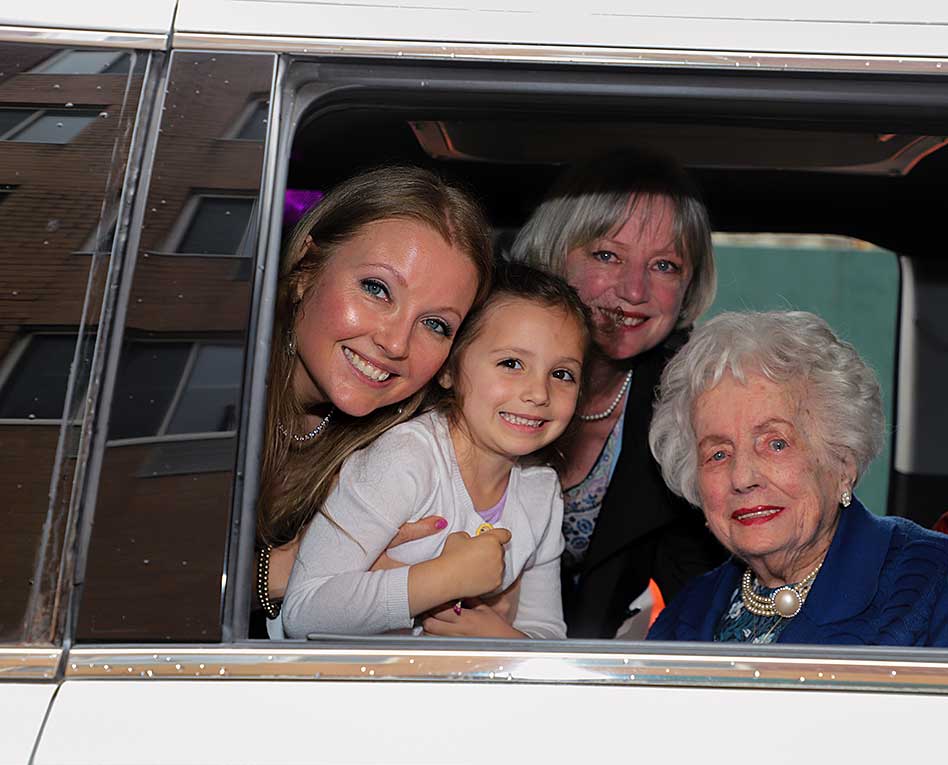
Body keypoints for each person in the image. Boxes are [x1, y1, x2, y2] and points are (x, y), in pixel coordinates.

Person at [646, 311, 948, 647]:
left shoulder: (945, 589)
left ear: (842, 461)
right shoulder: (684, 616)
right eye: (718, 454)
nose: (742, 477)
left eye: (776, 444)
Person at [281, 263, 591, 639]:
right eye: (511, 363)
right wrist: (443, 579)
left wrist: (502, 639)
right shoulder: (405, 459)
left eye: (562, 374)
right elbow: (303, 612)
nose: (539, 393)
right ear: (449, 370)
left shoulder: (541, 491)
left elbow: (547, 633)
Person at [254, 165, 495, 639]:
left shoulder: (410, 449)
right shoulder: (218, 390)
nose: (396, 343)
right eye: (377, 289)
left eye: (435, 324)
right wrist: (291, 571)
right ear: (305, 269)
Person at [509, 149, 727, 638]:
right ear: (553, 253)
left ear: (688, 286)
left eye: (665, 265)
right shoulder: (475, 368)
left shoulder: (685, 411)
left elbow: (702, 586)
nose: (634, 291)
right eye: (607, 255)